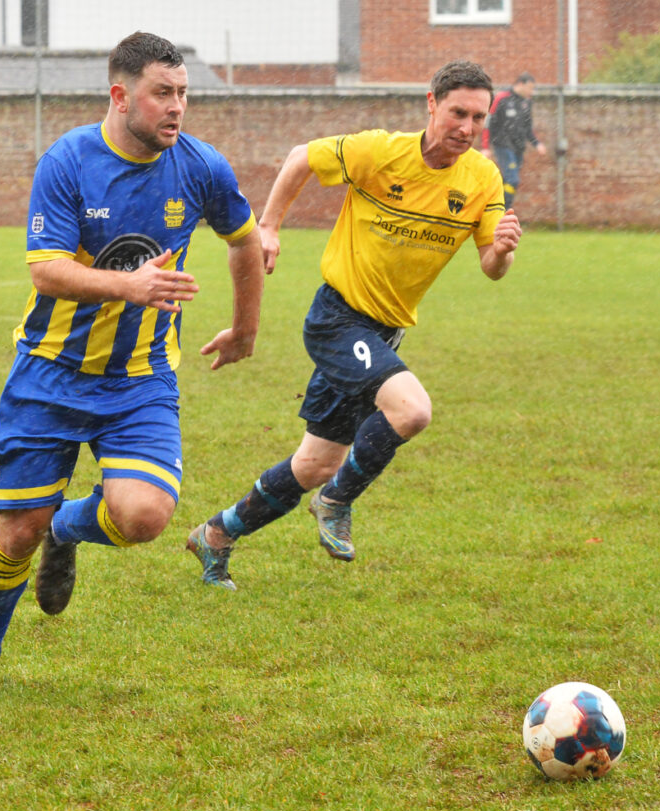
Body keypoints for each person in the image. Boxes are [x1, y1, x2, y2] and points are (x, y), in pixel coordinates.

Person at [0, 31, 265, 701]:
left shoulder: (202, 167)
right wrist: (129, 287)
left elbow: (245, 239)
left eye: (183, 95)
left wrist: (245, 329)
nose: (177, 108)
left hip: (140, 379)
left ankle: (68, 528)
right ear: (121, 95)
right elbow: (48, 271)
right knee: (14, 532)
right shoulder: (68, 162)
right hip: (50, 373)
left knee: (144, 515)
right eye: (162, 94)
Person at [185, 60, 522, 591]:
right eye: (458, 112)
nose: (467, 127)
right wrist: (268, 226)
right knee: (412, 410)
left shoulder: (482, 178)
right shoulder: (381, 152)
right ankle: (337, 501)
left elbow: (491, 267)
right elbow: (301, 157)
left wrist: (501, 250)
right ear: (431, 104)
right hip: (338, 319)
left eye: (478, 118)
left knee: (315, 463)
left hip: (384, 334)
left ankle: (216, 535)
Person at [481, 72, 547, 210]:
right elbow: (488, 124)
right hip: (503, 145)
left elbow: (528, 128)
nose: (531, 92)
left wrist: (537, 144)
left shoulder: (526, 102)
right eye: (530, 88)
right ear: (520, 84)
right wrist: (485, 147)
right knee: (513, 179)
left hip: (518, 148)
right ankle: (503, 212)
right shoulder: (502, 98)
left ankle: (493, 209)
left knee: (506, 181)